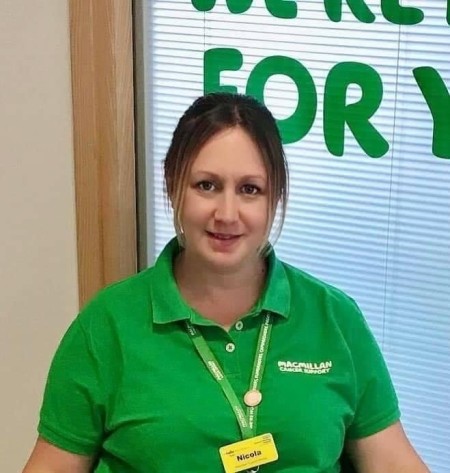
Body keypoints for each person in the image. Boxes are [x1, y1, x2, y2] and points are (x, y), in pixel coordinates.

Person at [23, 92, 429, 473]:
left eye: (250, 189)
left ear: (275, 198)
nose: (227, 213)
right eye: (207, 185)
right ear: (172, 186)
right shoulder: (106, 326)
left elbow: (392, 460)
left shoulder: (334, 317)